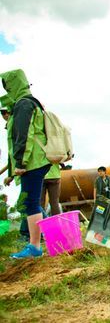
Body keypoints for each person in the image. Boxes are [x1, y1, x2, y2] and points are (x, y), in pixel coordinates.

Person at [0, 69, 51, 258]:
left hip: (33, 161)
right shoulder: (26, 103)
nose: (6, 90)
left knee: (30, 202)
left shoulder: (23, 105)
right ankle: (42, 239)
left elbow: (23, 135)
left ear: (14, 84)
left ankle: (35, 247)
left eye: (7, 86)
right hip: (35, 160)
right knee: (30, 202)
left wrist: (20, 162)